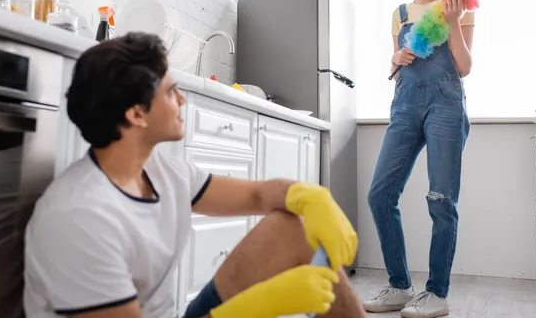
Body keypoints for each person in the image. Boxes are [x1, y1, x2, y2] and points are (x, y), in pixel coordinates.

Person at [23, 32, 366, 318]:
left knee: (296, 226)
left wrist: (309, 197)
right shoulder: (80, 218)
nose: (183, 100)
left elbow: (258, 195)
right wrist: (256, 306)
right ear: (137, 113)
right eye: (171, 91)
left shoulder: (161, 173)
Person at [363, 0, 474, 318]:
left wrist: (456, 24)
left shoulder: (458, 6)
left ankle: (437, 293)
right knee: (380, 194)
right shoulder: (399, 14)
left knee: (441, 201)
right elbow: (397, 67)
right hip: (406, 104)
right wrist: (393, 59)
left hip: (445, 103)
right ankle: (398, 285)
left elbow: (463, 67)